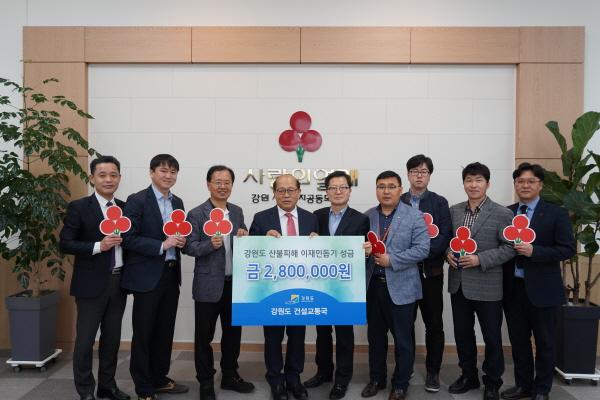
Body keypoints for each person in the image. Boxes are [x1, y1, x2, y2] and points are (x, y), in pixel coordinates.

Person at [500, 163, 575, 400]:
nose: (525, 185)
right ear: (515, 184)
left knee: (544, 342)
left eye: (531, 181)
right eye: (520, 181)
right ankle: (523, 385)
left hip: (544, 290)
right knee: (518, 341)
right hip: (513, 289)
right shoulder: (507, 213)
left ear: (540, 185)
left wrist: (535, 252)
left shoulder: (556, 213)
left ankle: (542, 389)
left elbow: (567, 249)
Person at [60, 156, 130, 400]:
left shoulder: (125, 208)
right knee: (85, 341)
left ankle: (107, 386)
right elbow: (65, 244)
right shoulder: (79, 207)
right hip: (90, 284)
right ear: (92, 178)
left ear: (119, 178)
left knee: (112, 340)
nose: (108, 179)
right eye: (102, 175)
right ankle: (86, 391)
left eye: (113, 175)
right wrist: (100, 246)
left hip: (119, 282)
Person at [183, 165, 255, 400]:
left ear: (232, 185)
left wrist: (244, 236)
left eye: (227, 182)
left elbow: (243, 240)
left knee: (233, 334)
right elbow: (188, 246)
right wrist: (208, 245)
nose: (223, 186)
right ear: (208, 184)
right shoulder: (197, 213)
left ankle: (230, 375)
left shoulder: (237, 211)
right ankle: (205, 381)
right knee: (204, 337)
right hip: (208, 286)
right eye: (218, 182)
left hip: (235, 284)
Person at [121, 154, 188, 400]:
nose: (168, 176)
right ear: (152, 172)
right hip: (146, 277)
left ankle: (159, 378)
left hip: (171, 274)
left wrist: (182, 242)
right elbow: (128, 238)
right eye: (163, 171)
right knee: (144, 332)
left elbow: (179, 235)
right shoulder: (137, 200)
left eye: (173, 171)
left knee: (164, 331)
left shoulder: (178, 202)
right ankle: (143, 387)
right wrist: (162, 245)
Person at [446, 162, 515, 400]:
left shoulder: (502, 213)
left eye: (478, 180)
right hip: (459, 284)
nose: (473, 185)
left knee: (492, 337)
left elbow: (510, 247)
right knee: (462, 334)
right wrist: (447, 253)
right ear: (463, 183)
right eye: (469, 180)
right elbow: (448, 240)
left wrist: (480, 259)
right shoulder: (454, 211)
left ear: (487, 183)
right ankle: (468, 375)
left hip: (488, 285)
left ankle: (493, 381)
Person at [249, 174, 319, 400]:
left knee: (298, 336)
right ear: (274, 193)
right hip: (272, 289)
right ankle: (275, 380)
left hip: (301, 288)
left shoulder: (310, 218)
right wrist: (262, 239)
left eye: (291, 190)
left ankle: (294, 379)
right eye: (281, 190)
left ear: (299, 192)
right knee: (273, 337)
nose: (286, 194)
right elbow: (250, 252)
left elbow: (319, 255)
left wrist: (318, 242)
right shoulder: (261, 218)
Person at [361, 170, 430, 400]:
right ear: (376, 190)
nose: (386, 191)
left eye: (391, 186)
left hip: (402, 288)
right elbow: (358, 248)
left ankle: (400, 384)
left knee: (403, 340)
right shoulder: (367, 216)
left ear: (401, 189)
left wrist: (392, 260)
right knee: (375, 338)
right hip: (373, 287)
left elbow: (423, 249)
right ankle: (376, 379)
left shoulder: (414, 216)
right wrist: (364, 252)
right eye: (381, 186)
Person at [304, 171, 370, 400]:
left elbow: (362, 253)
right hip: (320, 283)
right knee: (322, 332)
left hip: (345, 285)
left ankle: (342, 379)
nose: (338, 191)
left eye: (343, 187)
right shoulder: (317, 216)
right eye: (333, 187)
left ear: (350, 191)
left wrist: (364, 252)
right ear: (327, 192)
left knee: (344, 334)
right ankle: (323, 372)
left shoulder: (361, 219)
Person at [400, 155, 452, 393]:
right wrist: (408, 257)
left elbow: (444, 235)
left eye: (424, 171)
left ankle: (433, 372)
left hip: (431, 273)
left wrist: (419, 254)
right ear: (408, 174)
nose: (419, 175)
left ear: (429, 175)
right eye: (414, 171)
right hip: (402, 275)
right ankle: (406, 367)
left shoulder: (439, 202)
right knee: (405, 324)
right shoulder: (399, 200)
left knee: (434, 324)